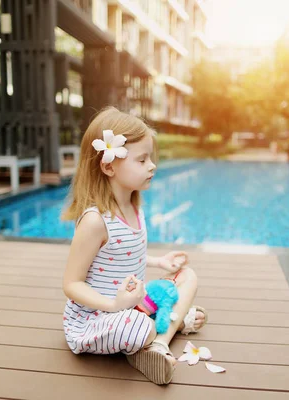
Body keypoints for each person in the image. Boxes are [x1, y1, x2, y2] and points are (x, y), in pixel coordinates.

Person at [61, 107, 208, 385]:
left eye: (150, 158)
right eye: (142, 160)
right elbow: (71, 284)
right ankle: (167, 328)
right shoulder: (95, 221)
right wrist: (114, 304)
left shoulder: (132, 205)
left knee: (187, 276)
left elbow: (124, 254)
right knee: (137, 326)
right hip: (96, 319)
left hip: (132, 304)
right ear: (108, 166)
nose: (152, 165)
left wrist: (159, 263)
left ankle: (157, 344)